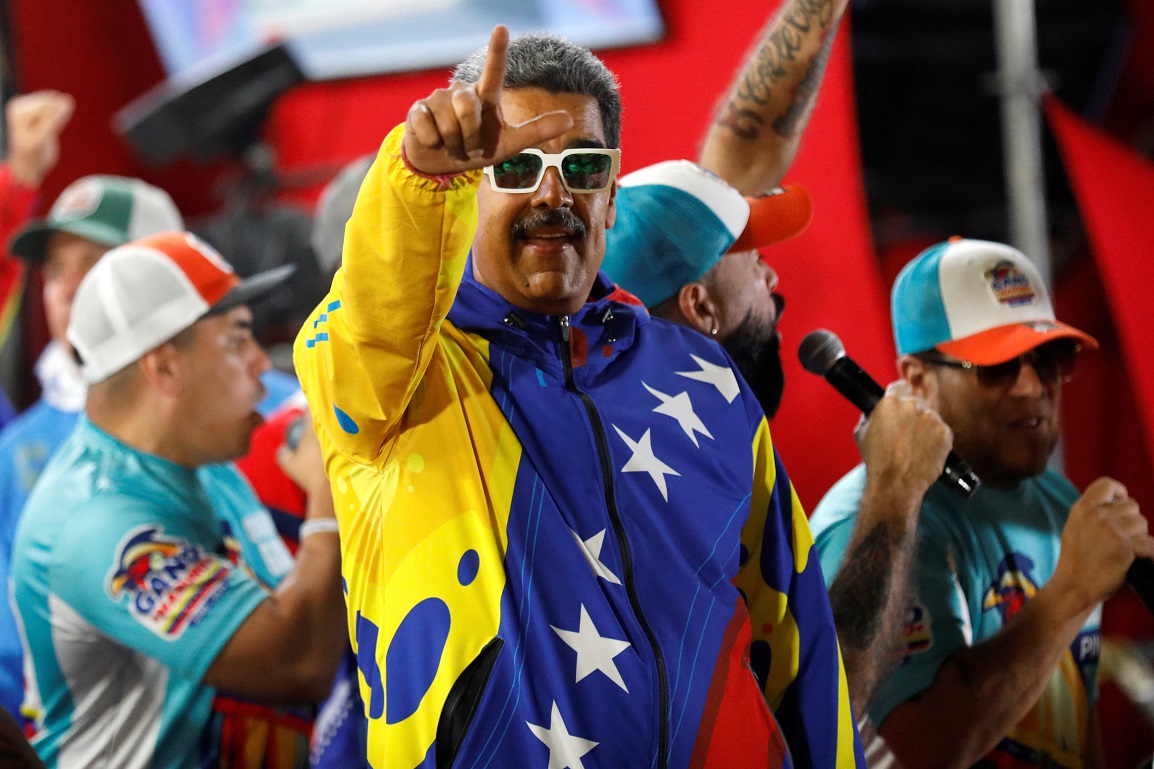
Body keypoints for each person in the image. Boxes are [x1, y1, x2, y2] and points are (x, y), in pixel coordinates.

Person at [294, 25, 862, 769]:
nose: (553, 190)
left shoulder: (704, 373)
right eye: (517, 165)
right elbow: (374, 310)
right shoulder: (399, 375)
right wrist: (418, 181)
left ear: (612, 195)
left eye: (583, 165)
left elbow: (796, 638)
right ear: (468, 190)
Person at [809, 237, 1154, 768]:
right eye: (997, 367)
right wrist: (1074, 590)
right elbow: (923, 748)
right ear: (917, 382)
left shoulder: (1057, 501)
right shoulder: (876, 521)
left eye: (1049, 358)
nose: (1030, 388)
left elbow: (1072, 728)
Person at [11, 232, 347, 768]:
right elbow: (298, 661)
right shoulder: (97, 523)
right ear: (164, 368)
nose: (262, 362)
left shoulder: (205, 461)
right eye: (238, 339)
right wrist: (331, 489)